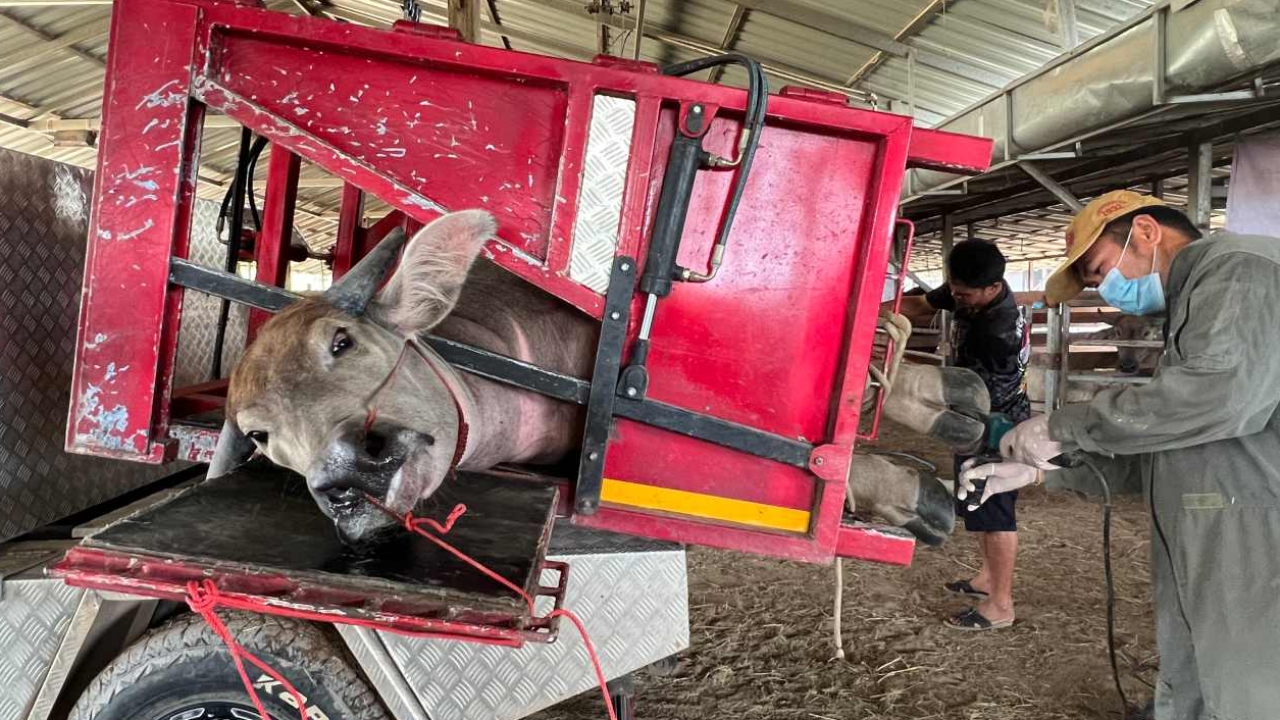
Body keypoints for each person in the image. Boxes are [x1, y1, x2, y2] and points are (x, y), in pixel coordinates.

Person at [960, 189, 1280, 719]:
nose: (1105, 290)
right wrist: (1044, 472)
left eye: (1098, 267)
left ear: (1148, 233)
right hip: (1219, 515)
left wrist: (1065, 426)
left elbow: (1220, 397)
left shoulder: (1238, 272)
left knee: (1249, 682)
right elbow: (1174, 445)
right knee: (1204, 667)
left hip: (1254, 523)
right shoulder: (1194, 301)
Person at [896, 240, 1031, 631]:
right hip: (974, 420)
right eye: (955, 290)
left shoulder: (996, 332)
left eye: (965, 294)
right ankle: (986, 579)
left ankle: (1001, 604)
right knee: (976, 503)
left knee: (997, 515)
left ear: (992, 288)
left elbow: (971, 392)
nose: (957, 298)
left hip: (996, 426)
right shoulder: (969, 291)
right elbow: (924, 304)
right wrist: (876, 308)